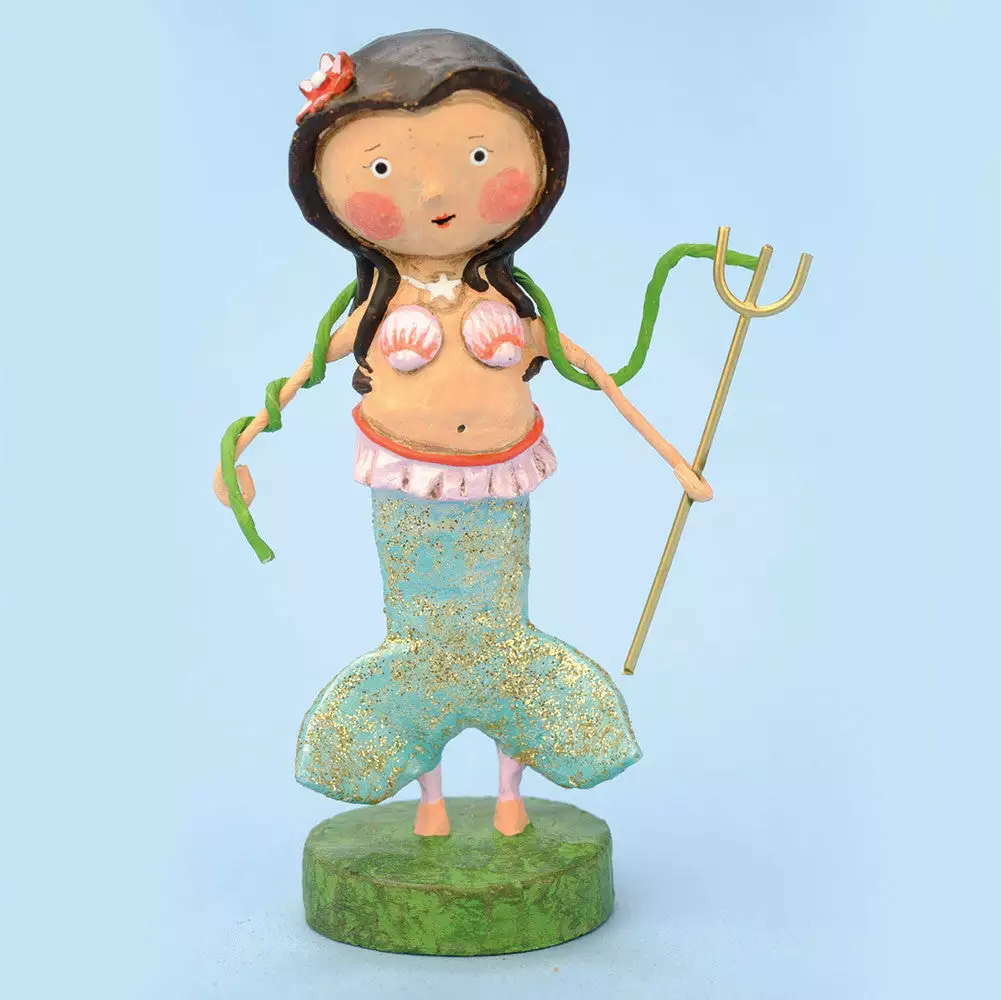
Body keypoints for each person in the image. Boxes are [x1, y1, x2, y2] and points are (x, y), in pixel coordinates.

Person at [213, 29, 711, 837]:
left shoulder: (511, 308)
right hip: (408, 487)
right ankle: (431, 800)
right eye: (381, 169)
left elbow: (594, 370)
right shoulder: (372, 315)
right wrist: (237, 451)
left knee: (502, 644)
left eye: (480, 156)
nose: (438, 190)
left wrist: (675, 463)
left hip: (496, 484)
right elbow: (295, 380)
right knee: (421, 650)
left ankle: (511, 789)